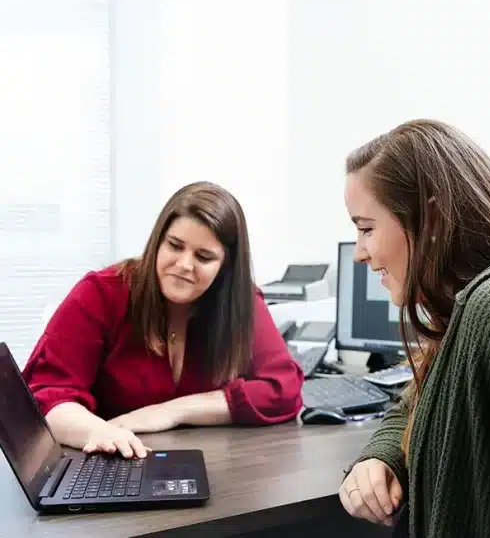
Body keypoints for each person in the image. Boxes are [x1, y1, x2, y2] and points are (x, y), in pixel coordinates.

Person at [338, 119, 490, 538]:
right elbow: (417, 402)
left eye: (366, 229)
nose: (359, 254)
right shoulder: (465, 308)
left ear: (430, 219)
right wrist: (381, 456)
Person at [23, 181, 304, 459]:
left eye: (204, 257)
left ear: (225, 267)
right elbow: (46, 396)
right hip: (108, 465)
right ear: (158, 241)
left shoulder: (240, 303)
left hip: (209, 469)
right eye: (174, 245)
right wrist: (99, 432)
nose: (184, 265)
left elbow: (282, 389)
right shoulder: (100, 292)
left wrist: (171, 412)